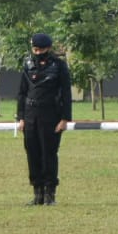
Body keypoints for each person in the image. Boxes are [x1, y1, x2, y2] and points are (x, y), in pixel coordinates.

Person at [16, 32, 72, 206]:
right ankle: (37, 193)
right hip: (31, 114)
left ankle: (50, 194)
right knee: (32, 153)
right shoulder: (28, 64)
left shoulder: (59, 66)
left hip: (51, 115)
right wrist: (21, 118)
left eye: (40, 49)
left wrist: (64, 119)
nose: (37, 52)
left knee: (49, 153)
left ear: (48, 48)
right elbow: (22, 92)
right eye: (35, 48)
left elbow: (66, 93)